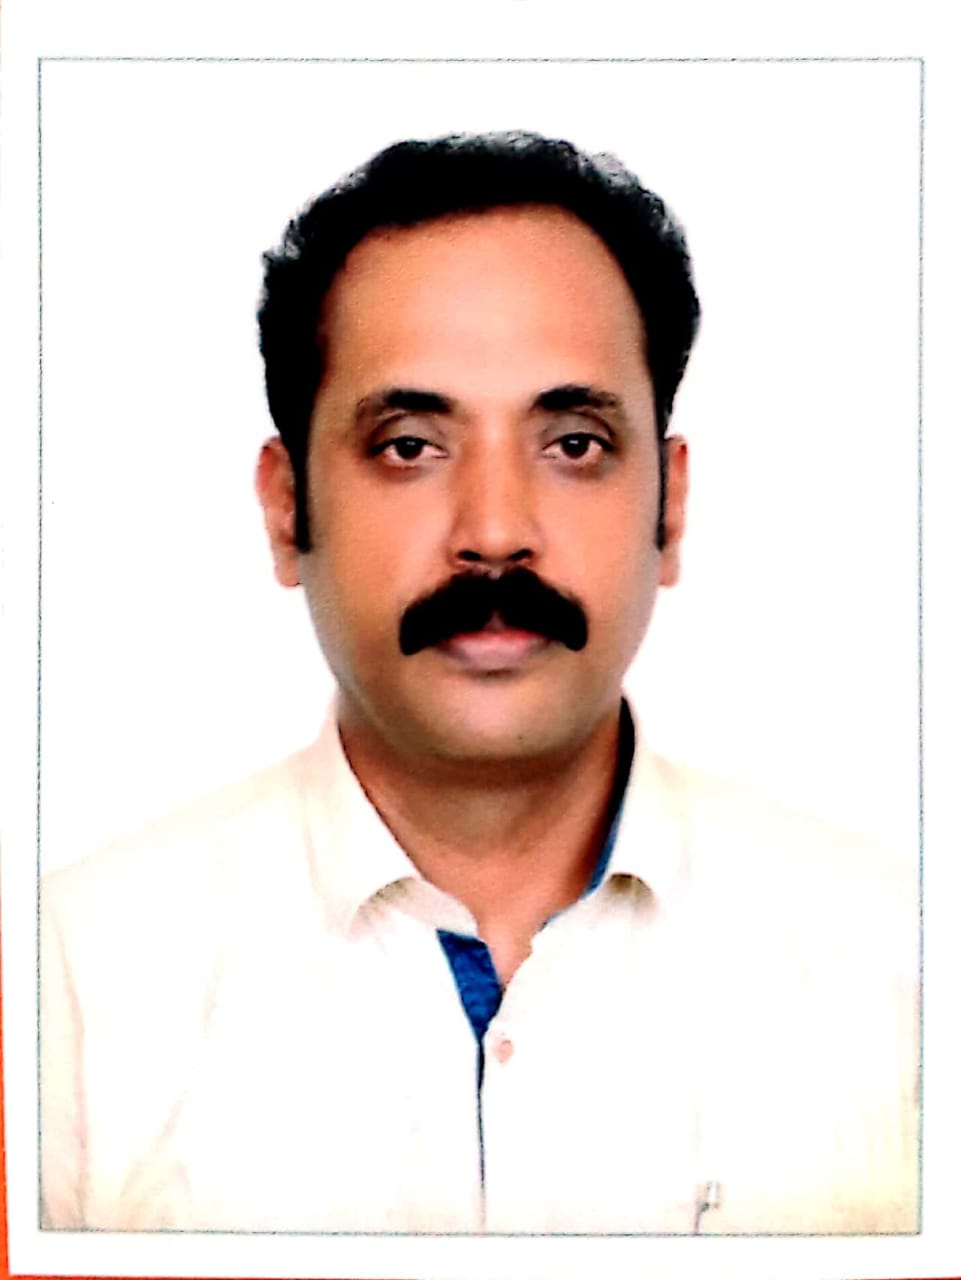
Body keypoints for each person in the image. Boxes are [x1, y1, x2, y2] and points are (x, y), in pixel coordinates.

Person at [40, 132, 918, 1235]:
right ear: (286, 506)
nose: (495, 532)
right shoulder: (66, 982)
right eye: (410, 445)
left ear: (670, 505)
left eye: (574, 443)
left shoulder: (903, 968)